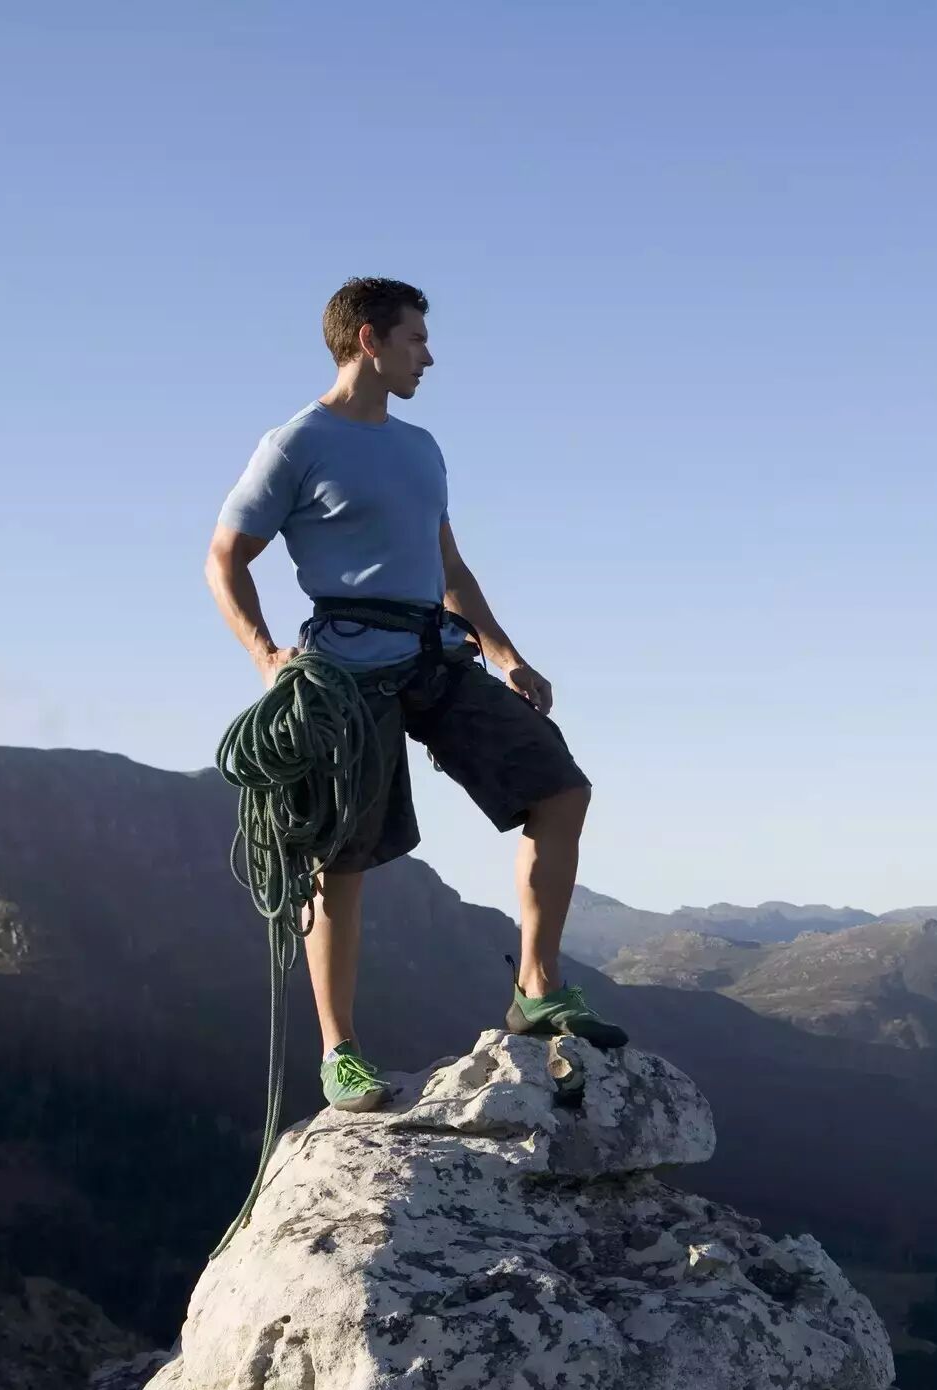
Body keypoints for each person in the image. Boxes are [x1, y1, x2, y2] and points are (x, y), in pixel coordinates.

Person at [204, 276, 624, 1114]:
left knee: (559, 790)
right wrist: (265, 659)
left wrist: (506, 653)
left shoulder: (422, 446)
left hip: (433, 653)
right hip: (343, 671)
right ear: (369, 340)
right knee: (340, 858)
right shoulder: (296, 443)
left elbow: (450, 568)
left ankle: (536, 990)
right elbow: (225, 557)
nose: (428, 356)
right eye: (415, 340)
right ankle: (341, 1052)